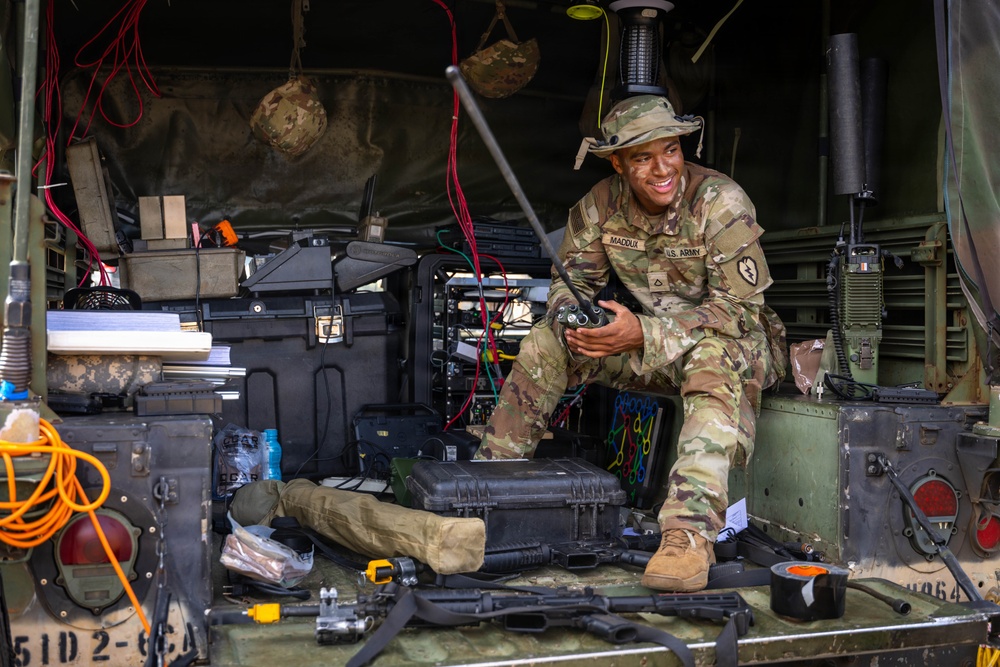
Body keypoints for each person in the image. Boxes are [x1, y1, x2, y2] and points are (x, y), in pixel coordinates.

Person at [473, 95, 786, 593]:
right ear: (617, 162)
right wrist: (578, 321)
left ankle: (687, 537)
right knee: (545, 342)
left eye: (671, 150)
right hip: (647, 347)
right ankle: (482, 494)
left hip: (735, 347)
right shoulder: (600, 204)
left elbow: (740, 313)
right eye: (643, 157)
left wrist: (643, 331)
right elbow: (566, 284)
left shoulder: (720, 202)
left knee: (710, 357)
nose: (663, 169)